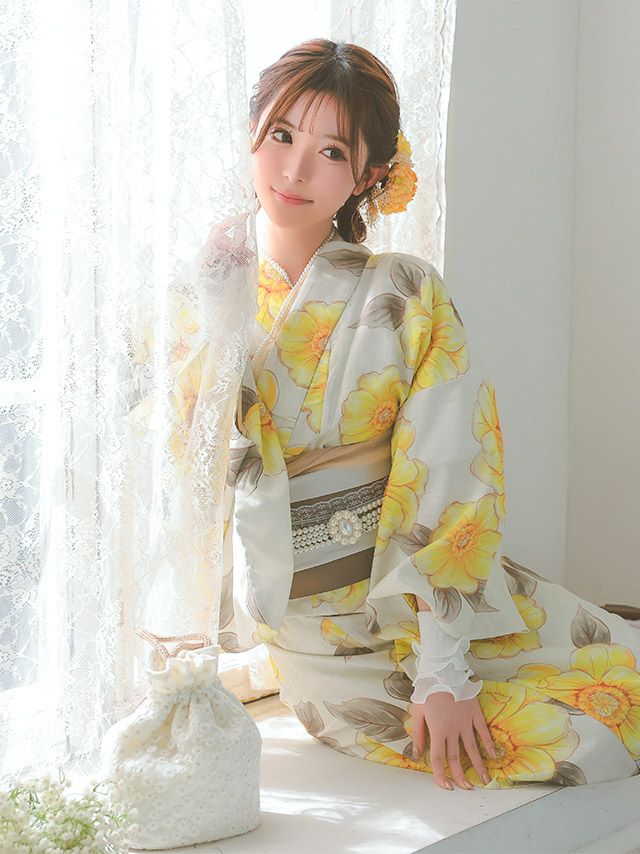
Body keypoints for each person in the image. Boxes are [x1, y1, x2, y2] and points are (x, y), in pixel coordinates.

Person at [211, 38, 640, 792]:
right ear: (251, 135)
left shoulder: (403, 290)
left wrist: (445, 672)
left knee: (619, 695)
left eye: (332, 151)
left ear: (369, 176)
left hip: (426, 604)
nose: (295, 169)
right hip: (317, 642)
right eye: (281, 135)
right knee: (563, 746)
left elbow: (449, 468)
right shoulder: (204, 290)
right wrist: (215, 299)